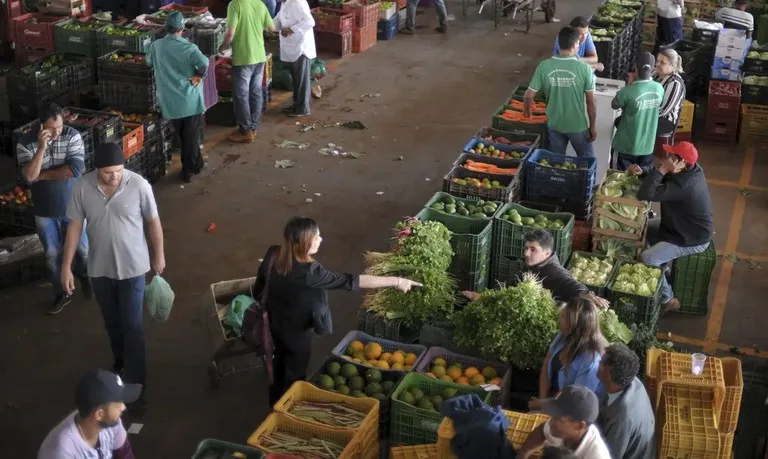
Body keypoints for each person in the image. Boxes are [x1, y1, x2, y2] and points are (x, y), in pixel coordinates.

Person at [258, 217, 423, 404]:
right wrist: (397, 281)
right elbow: (351, 281)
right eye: (317, 237)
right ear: (304, 242)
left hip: (272, 322)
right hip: (297, 331)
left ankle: (274, 398)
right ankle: (286, 406)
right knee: (294, 372)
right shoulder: (310, 272)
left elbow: (259, 287)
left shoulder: (273, 253)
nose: (321, 239)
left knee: (278, 361)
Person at [61, 142, 165, 400]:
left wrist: (159, 255)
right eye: (108, 172)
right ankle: (120, 359)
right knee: (112, 322)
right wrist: (66, 266)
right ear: (97, 169)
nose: (114, 176)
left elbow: (153, 222)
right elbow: (74, 227)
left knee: (133, 325)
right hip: (99, 269)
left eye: (118, 170)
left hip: (133, 267)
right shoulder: (82, 187)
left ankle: (137, 382)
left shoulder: (139, 185)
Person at [16, 103, 91, 315]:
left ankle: (84, 276)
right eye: (52, 129)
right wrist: (41, 148)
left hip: (74, 207)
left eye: (59, 127)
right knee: (51, 253)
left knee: (83, 249)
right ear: (41, 127)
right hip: (44, 210)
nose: (57, 132)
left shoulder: (72, 135)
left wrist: (41, 175)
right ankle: (61, 293)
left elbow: (74, 170)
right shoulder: (25, 143)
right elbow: (29, 176)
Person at [630, 141, 713, 314]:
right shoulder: (691, 169)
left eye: (673, 157)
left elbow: (645, 194)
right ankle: (664, 267)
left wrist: (661, 170)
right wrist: (643, 171)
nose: (668, 158)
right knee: (645, 228)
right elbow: (664, 175)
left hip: (690, 237)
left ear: (682, 162)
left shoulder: (684, 185)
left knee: (647, 258)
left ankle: (668, 299)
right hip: (678, 226)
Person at [463, 230, 609, 308]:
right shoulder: (535, 266)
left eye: (533, 250)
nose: (526, 253)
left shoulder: (553, 271)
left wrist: (587, 294)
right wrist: (484, 297)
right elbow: (513, 285)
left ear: (547, 252)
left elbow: (569, 283)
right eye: (526, 248)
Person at [147, 12, 209, 183]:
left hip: (169, 100)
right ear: (182, 29)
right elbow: (204, 64)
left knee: (183, 135)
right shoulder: (189, 48)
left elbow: (149, 62)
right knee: (190, 136)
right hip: (189, 99)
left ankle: (197, 164)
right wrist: (199, 76)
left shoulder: (156, 46)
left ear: (166, 28)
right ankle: (188, 170)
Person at [525, 26, 597, 158]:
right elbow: (590, 101)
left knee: (556, 161)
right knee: (587, 160)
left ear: (559, 43)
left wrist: (528, 113)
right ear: (576, 44)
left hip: (554, 124)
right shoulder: (584, 69)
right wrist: (592, 126)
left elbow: (529, 95)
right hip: (577, 125)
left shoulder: (544, 65)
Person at [38, 369, 139, 459]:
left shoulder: (112, 422)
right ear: (99, 414)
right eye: (118, 403)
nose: (123, 407)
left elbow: (124, 454)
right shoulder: (62, 452)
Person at [529, 297, 607, 412]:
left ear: (574, 325)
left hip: (571, 412)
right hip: (552, 400)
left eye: (564, 317)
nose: (560, 318)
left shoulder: (591, 361)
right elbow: (546, 364)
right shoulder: (563, 335)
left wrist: (543, 405)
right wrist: (542, 399)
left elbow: (575, 399)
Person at [219, 0, 276, 143]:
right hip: (259, 56)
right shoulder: (260, 4)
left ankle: (245, 130)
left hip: (244, 58)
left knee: (241, 95)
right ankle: (253, 127)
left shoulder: (235, 4)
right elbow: (271, 28)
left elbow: (230, 33)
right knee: (256, 91)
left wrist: (223, 47)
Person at [596, 343, 656, 459]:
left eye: (601, 364)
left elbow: (609, 455)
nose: (598, 363)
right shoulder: (631, 380)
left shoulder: (621, 416)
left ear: (608, 375)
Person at [518, 385, 612, 459]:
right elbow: (542, 430)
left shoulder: (597, 455)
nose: (550, 422)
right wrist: (523, 455)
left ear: (579, 426)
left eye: (558, 418)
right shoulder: (558, 429)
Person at [611, 53, 665, 171]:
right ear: (653, 68)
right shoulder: (659, 89)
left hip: (624, 147)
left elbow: (614, 105)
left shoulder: (628, 91)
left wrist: (630, 85)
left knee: (617, 181)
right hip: (647, 146)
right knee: (638, 182)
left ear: (635, 68)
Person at [274, 0, 315, 117]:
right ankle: (297, 104)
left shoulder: (298, 3)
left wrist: (291, 29)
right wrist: (269, 25)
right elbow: (278, 19)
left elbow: (310, 21)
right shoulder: (284, 3)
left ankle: (303, 108)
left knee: (301, 80)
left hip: (300, 47)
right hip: (291, 46)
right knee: (297, 79)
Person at [653, 49, 686, 147]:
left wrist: (643, 114)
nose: (657, 64)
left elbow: (663, 110)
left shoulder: (674, 83)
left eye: (662, 62)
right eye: (657, 61)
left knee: (636, 125)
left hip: (665, 121)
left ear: (672, 66)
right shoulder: (656, 75)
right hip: (652, 114)